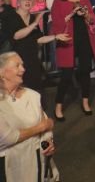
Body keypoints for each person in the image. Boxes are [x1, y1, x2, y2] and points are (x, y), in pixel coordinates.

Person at [49, 0, 95, 120]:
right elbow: (56, 23)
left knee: (85, 71)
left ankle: (85, 101)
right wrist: (71, 14)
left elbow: (93, 18)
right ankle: (58, 105)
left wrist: (86, 14)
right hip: (68, 40)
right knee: (66, 75)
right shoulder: (58, 0)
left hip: (85, 38)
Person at [0, 51, 56, 182]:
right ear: (2, 72)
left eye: (23, 65)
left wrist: (48, 142)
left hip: (36, 161)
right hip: (10, 166)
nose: (23, 69)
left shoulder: (32, 95)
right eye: (17, 65)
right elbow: (8, 137)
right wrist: (40, 127)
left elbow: (46, 127)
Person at [2, 0, 64, 94]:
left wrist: (55, 36)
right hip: (16, 61)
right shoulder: (11, 16)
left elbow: (38, 39)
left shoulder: (31, 18)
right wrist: (34, 23)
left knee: (36, 92)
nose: (27, 1)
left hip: (32, 60)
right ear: (18, 3)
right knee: (18, 92)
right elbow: (17, 35)